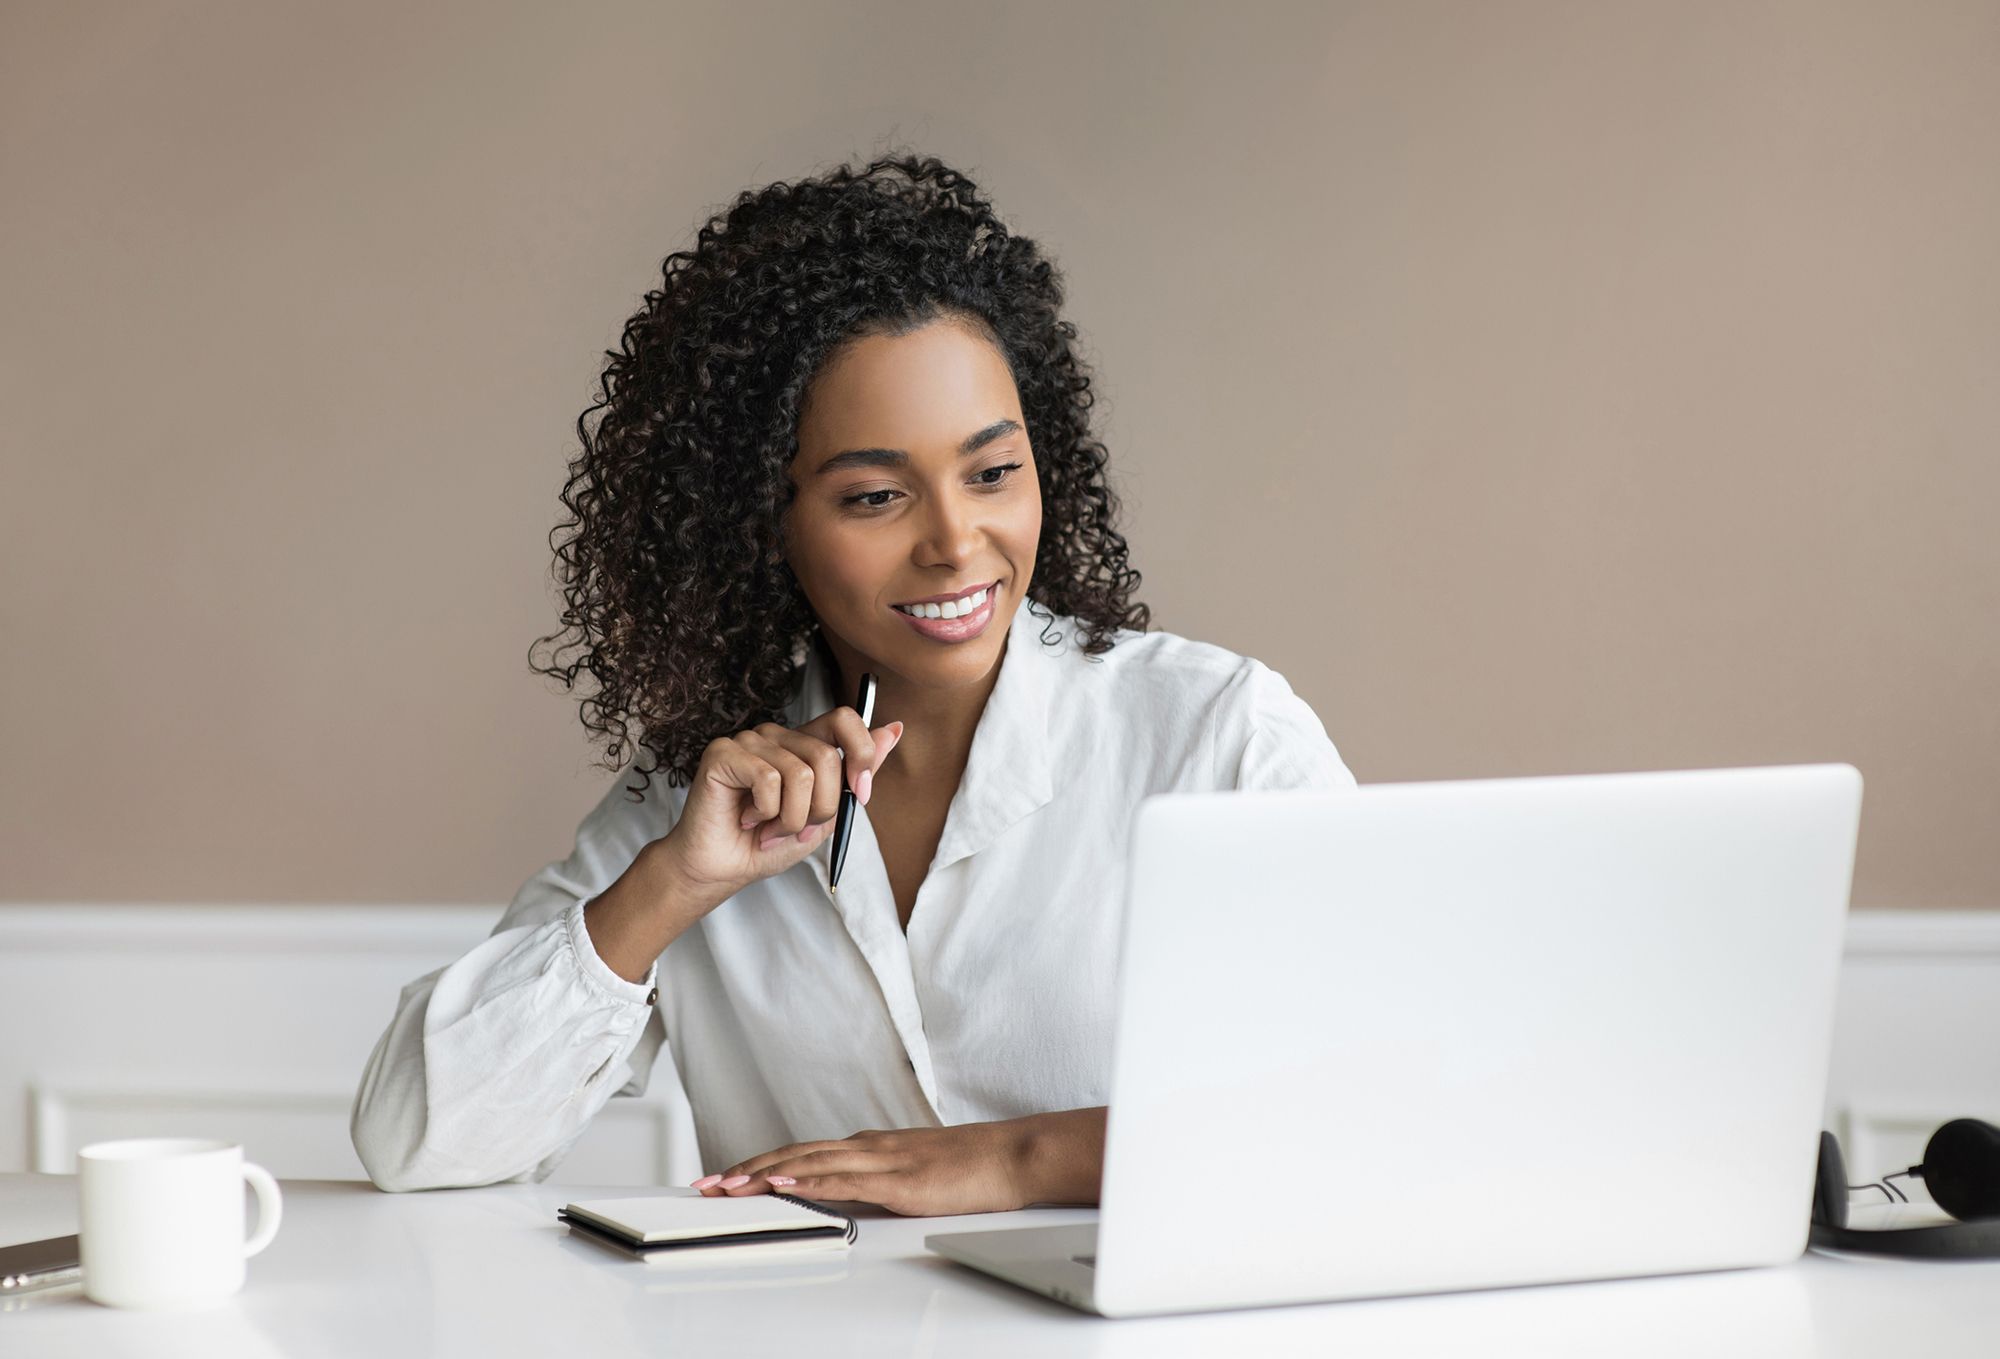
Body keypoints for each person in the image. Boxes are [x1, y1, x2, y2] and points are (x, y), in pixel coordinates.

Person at [350, 152, 1356, 1215]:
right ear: (757, 524)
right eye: (874, 496)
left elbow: (1384, 1097)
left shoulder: (1214, 739)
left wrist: (1014, 1160)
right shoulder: (695, 806)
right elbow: (416, 1140)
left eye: (992, 472)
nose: (955, 541)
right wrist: (673, 889)